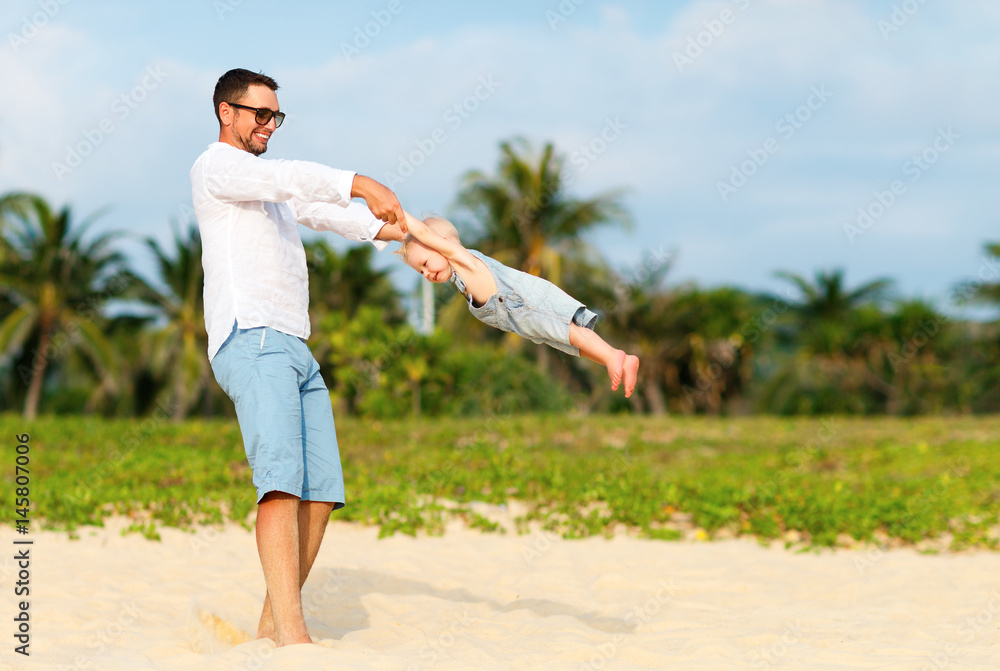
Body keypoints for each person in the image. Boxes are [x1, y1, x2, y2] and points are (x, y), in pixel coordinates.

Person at [190, 68, 406, 647]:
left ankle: (268, 631)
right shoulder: (216, 167)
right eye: (259, 114)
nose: (268, 125)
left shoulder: (265, 187)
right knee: (281, 485)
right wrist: (362, 181)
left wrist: (406, 240)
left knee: (322, 492)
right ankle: (293, 638)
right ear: (225, 113)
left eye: (275, 116)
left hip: (295, 346)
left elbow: (322, 211)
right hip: (253, 337)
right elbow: (292, 179)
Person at [396, 212, 640, 396]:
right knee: (569, 342)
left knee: (572, 332)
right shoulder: (458, 277)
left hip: (527, 301)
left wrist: (394, 209)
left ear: (442, 242)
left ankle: (613, 356)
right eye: (420, 271)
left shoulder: (461, 259)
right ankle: (616, 359)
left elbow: (424, 234)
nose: (426, 273)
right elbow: (411, 239)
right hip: (523, 320)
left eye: (426, 263)